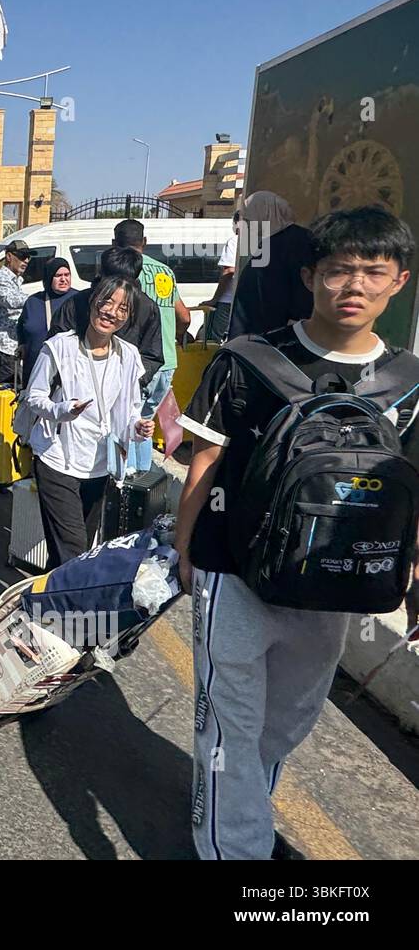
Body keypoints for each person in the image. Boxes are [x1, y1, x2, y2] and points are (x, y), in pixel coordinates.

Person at [175, 205, 419, 861]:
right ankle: (238, 854)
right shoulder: (249, 359)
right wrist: (185, 548)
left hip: (332, 588)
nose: (355, 285)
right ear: (311, 275)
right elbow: (206, 459)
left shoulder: (409, 382)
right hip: (233, 571)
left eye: (374, 270)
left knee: (278, 732)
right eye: (339, 269)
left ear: (398, 280)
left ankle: (240, 823)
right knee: (228, 729)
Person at [20, 274, 156, 567]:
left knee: (69, 552)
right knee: (74, 549)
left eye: (123, 308)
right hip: (57, 460)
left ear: (129, 317)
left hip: (98, 464)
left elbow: (129, 408)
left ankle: (50, 602)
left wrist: (137, 426)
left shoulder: (128, 356)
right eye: (107, 302)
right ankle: (66, 608)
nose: (111, 312)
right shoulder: (59, 347)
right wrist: (62, 411)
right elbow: (34, 397)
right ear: (93, 301)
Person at [111, 219, 190, 472]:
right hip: (166, 361)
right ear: (144, 242)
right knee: (145, 421)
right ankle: (143, 477)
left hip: (139, 363)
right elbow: (185, 317)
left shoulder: (126, 273)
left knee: (127, 422)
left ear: (114, 244)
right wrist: (173, 336)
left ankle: (129, 483)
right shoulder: (165, 272)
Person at [49, 245, 164, 390]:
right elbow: (55, 347)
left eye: (123, 309)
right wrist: (73, 381)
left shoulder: (146, 307)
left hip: (124, 391)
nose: (111, 313)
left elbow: (151, 355)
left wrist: (133, 381)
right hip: (76, 392)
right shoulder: (76, 303)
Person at [227, 190, 313, 339]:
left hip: (273, 342)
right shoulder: (272, 242)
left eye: (251, 214)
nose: (247, 221)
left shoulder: (291, 245)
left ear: (264, 213)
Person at [16, 257, 75, 389]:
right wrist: (22, 345)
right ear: (48, 278)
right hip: (34, 370)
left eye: (67, 275)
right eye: (58, 276)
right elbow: (22, 327)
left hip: (66, 376)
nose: (64, 279)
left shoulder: (79, 299)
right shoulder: (33, 302)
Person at [0, 237, 31, 385]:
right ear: (9, 256)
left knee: (4, 396)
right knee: (2, 395)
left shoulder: (15, 280)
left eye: (28, 257)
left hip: (9, 347)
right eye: (22, 256)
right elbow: (11, 301)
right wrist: (38, 299)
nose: (26, 260)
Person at [202, 212, 241, 343]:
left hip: (228, 301)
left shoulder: (235, 241)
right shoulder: (261, 242)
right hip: (249, 301)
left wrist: (215, 299)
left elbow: (229, 270)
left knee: (215, 340)